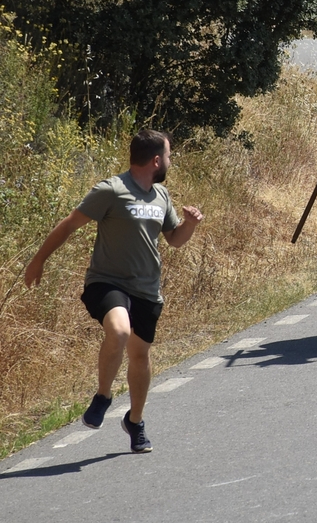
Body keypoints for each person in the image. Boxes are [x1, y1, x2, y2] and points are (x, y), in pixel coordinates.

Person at [23, 129, 203, 453]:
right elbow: (68, 224)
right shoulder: (112, 190)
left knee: (140, 355)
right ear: (156, 160)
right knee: (119, 332)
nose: (170, 162)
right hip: (107, 282)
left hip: (147, 289)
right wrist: (38, 261)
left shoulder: (161, 196)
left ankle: (135, 422)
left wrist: (189, 224)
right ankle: (103, 396)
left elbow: (174, 239)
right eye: (170, 156)